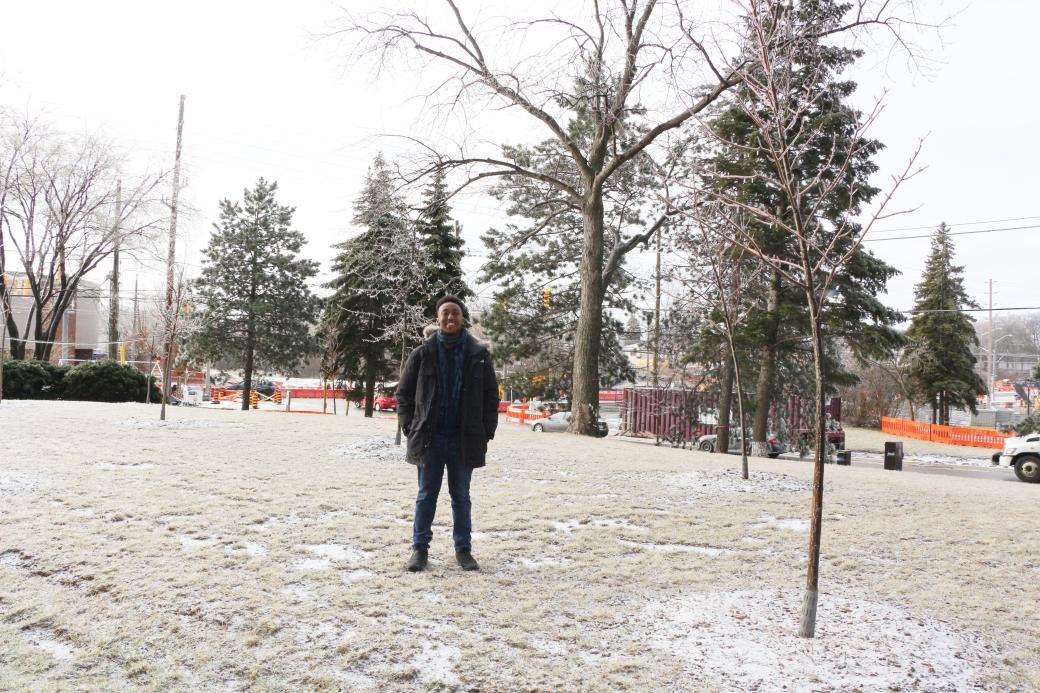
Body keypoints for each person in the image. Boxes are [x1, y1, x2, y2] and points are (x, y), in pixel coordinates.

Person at [396, 295, 499, 572]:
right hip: (430, 439)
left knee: (461, 497)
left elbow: (491, 397)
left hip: (464, 439)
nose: (450, 318)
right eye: (445, 313)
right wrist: (410, 428)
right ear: (437, 318)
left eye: (455, 313)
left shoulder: (478, 356)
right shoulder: (422, 353)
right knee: (426, 495)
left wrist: (486, 432)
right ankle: (419, 550)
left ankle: (463, 550)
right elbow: (403, 395)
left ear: (462, 318)